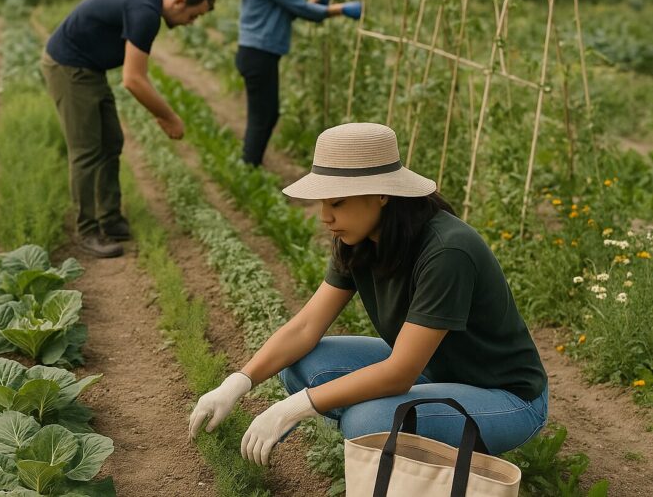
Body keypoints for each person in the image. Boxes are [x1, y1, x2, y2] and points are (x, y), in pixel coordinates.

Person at [188, 122, 548, 466]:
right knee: (299, 364)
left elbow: (400, 372)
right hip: (436, 370)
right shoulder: (359, 240)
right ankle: (408, 433)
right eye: (323, 203)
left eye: (337, 203)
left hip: (505, 396)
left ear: (382, 194)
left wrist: (294, 408)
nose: (324, 217)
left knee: (366, 422)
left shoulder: (447, 251)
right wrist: (238, 382)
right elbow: (305, 328)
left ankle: (418, 441)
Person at [42, 0, 214, 258]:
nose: (190, 23)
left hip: (88, 69)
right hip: (67, 66)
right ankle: (87, 231)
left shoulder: (147, 2)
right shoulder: (146, 11)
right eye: (193, 16)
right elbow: (134, 79)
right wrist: (168, 117)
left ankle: (110, 218)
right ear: (179, 1)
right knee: (86, 149)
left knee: (111, 141)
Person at [235, 0, 360, 167]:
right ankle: (248, 168)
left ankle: (250, 166)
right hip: (258, 55)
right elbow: (301, 10)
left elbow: (288, 9)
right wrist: (342, 9)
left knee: (267, 114)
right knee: (263, 116)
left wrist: (320, 1)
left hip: (257, 54)